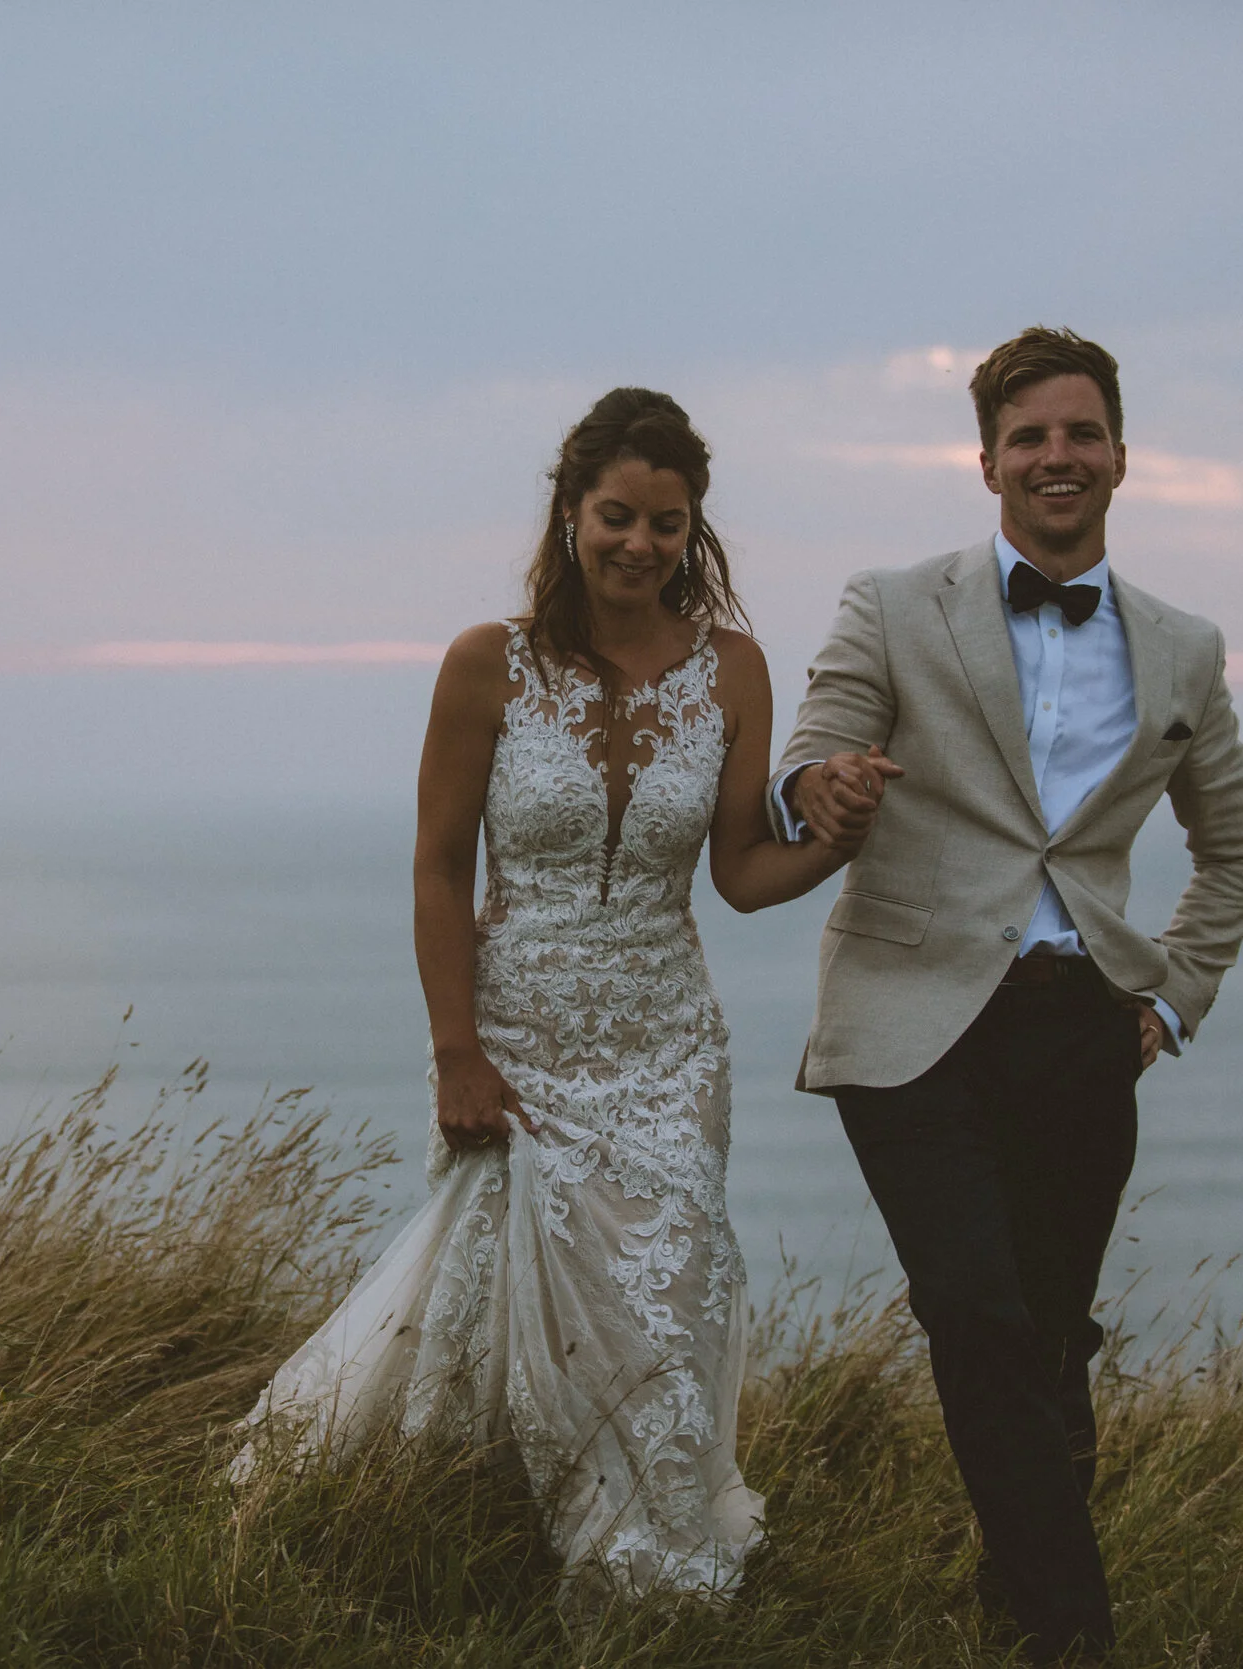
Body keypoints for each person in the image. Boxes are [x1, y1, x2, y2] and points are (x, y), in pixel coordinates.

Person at [235, 387, 859, 1598]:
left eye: (666, 523)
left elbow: (740, 874)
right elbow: (437, 867)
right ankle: (471, 1534)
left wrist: (839, 840)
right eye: (617, 515)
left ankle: (649, 1556)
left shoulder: (733, 670)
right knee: (494, 1299)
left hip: (669, 1048)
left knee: (661, 1300)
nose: (640, 543)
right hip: (516, 1036)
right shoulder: (489, 663)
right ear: (570, 512)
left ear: (693, 530)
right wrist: (455, 1050)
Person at [765, 327, 1243, 1664]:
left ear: (1121, 455)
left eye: (1081, 432)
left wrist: (1168, 1002)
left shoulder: (1184, 648)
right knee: (977, 1312)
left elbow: (1238, 849)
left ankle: (1017, 1611)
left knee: (1049, 1342)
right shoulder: (892, 604)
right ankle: (1075, 1630)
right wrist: (821, 787)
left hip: (1081, 1027)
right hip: (908, 1016)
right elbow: (808, 757)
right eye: (1030, 436)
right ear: (987, 460)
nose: (1059, 455)